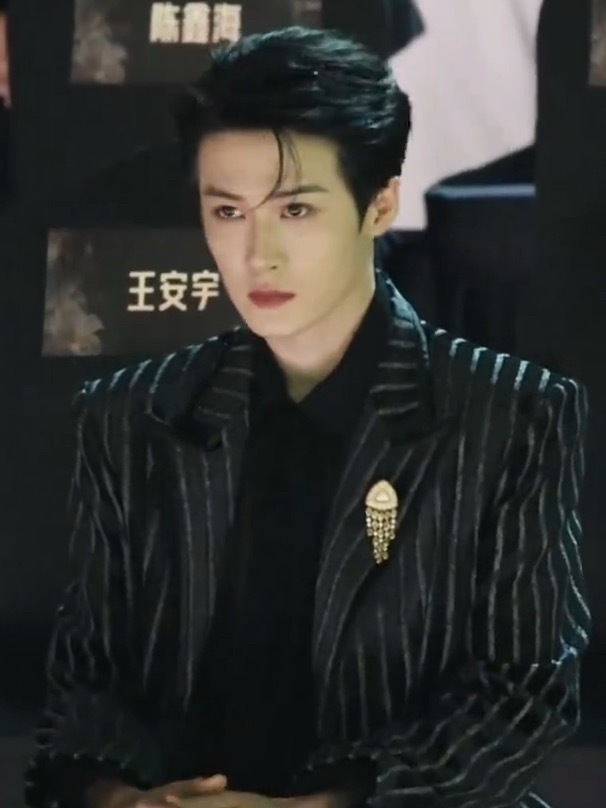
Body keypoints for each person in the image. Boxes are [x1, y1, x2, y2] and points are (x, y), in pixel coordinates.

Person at [24, 25, 591, 808]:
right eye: (228, 211)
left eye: (295, 209)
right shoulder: (131, 417)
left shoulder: (511, 414)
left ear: (379, 203)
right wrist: (125, 799)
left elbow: (523, 695)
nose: (257, 253)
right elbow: (87, 682)